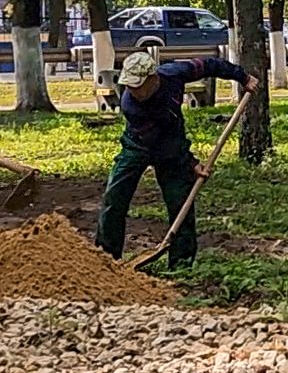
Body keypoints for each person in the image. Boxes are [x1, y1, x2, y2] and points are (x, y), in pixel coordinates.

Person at [97, 50, 258, 269]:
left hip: (171, 142)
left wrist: (243, 77)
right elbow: (163, 146)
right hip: (138, 145)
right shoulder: (130, 105)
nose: (133, 90)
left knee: (180, 199)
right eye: (130, 85)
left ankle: (181, 263)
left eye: (137, 85)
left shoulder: (174, 74)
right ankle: (105, 259)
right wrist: (191, 164)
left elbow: (209, 64)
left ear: (153, 78)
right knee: (114, 197)